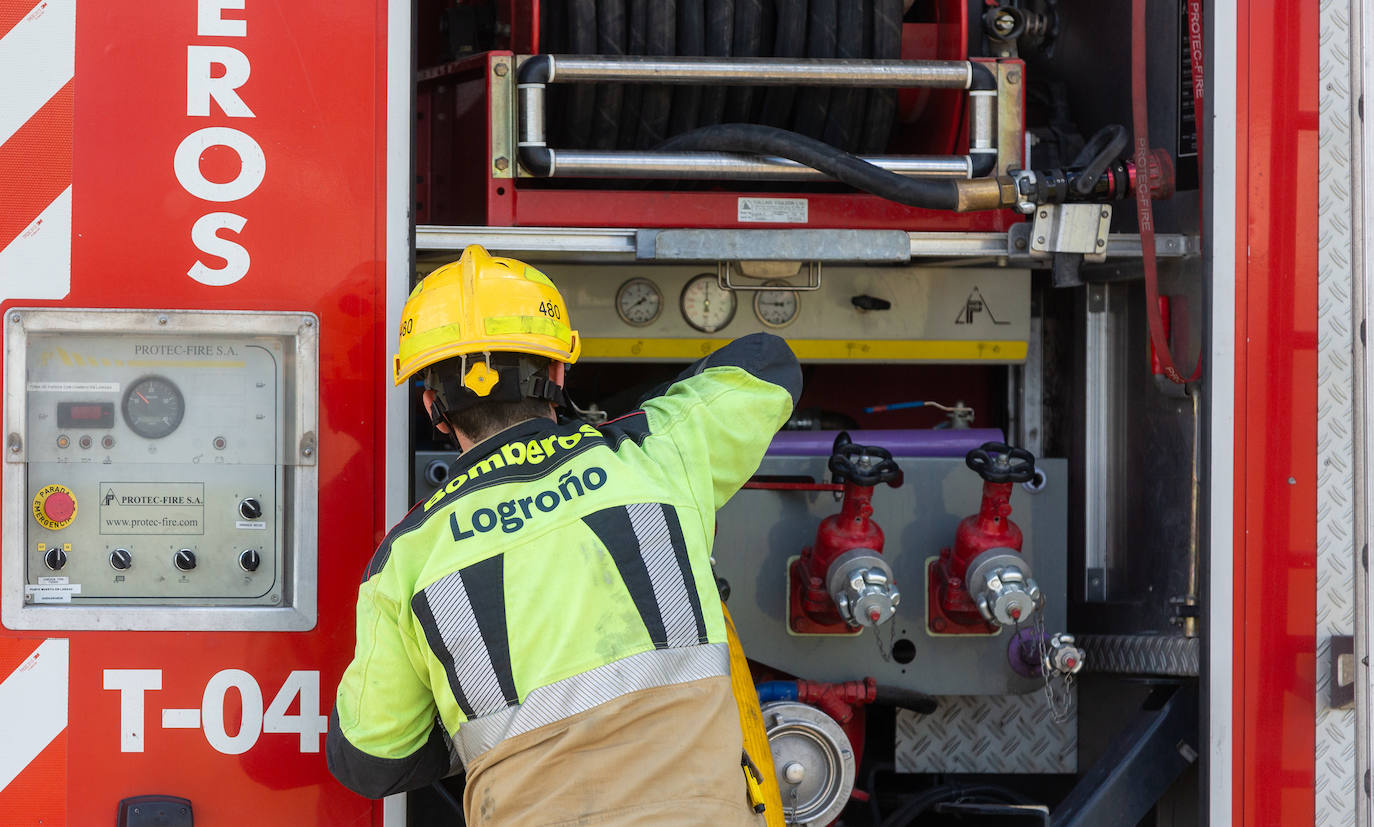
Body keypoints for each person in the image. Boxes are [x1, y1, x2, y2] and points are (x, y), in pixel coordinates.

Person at [326, 245, 801, 825]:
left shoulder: (405, 560)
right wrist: (628, 425)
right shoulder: (659, 454)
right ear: (558, 373)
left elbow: (371, 762)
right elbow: (767, 361)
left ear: (433, 406)